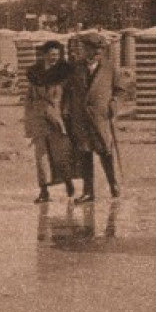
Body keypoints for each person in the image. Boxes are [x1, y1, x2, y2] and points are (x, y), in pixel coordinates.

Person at [63, 33, 128, 203]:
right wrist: (66, 110)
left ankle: (113, 184)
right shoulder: (75, 68)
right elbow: (66, 91)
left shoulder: (110, 68)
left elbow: (121, 90)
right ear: (85, 50)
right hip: (81, 118)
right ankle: (88, 191)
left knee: (105, 151)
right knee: (85, 154)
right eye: (91, 49)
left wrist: (114, 105)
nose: (95, 53)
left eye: (98, 50)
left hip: (102, 117)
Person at [23, 40, 76, 203]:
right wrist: (29, 122)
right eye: (51, 55)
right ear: (44, 55)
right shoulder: (34, 74)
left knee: (61, 154)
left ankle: (68, 181)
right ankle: (44, 190)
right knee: (41, 156)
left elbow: (69, 97)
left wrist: (66, 114)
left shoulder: (64, 74)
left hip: (57, 118)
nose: (54, 58)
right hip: (39, 119)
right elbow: (29, 99)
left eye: (57, 55)